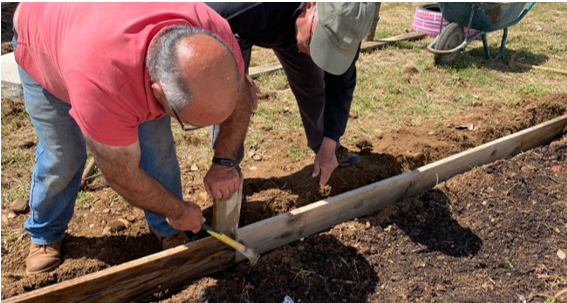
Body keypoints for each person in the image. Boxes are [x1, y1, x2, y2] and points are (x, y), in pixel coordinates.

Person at [12, 3, 251, 274]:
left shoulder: (213, 30)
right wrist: (181, 209)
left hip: (109, 42)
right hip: (43, 42)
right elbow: (121, 174)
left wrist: (224, 161)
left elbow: (240, 92)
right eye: (193, 123)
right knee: (64, 156)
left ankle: (166, 227)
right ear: (159, 93)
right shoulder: (103, 81)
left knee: (157, 147)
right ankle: (45, 232)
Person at [206, 2, 375, 187]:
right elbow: (202, 21)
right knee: (233, 98)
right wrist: (236, 74)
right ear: (310, 5)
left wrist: (330, 140)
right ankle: (228, 167)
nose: (315, 54)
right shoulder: (254, 5)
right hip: (233, 27)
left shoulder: (348, 24)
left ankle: (324, 148)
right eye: (318, 42)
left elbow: (342, 85)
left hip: (287, 26)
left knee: (313, 84)